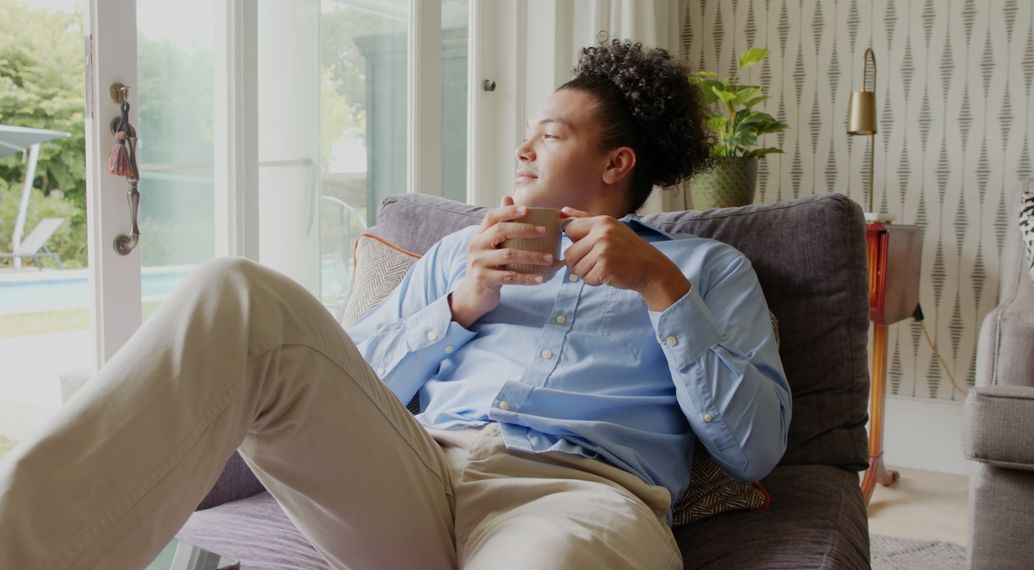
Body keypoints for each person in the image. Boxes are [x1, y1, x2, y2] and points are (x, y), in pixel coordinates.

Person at [0, 40, 790, 569]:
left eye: (547, 136)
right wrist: (458, 304)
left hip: (579, 498)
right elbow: (333, 382)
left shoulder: (705, 270)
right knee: (232, 290)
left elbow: (753, 447)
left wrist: (661, 289)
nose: (520, 151)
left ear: (616, 163)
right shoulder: (458, 254)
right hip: (413, 474)